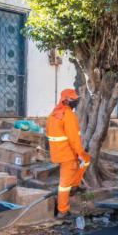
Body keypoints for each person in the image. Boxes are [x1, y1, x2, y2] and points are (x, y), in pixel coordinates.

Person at [45, 89, 90, 219]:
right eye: (73, 99)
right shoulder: (68, 114)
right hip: (68, 154)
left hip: (58, 152)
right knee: (64, 184)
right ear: (66, 100)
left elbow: (48, 132)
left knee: (85, 161)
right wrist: (80, 153)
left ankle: (75, 185)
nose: (76, 101)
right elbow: (74, 138)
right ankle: (62, 211)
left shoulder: (54, 113)